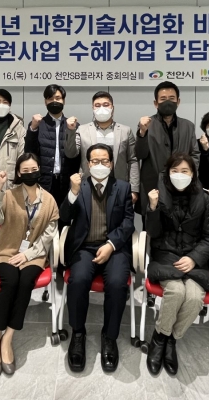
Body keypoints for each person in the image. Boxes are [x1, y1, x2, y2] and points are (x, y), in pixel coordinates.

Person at [0, 153, 59, 377]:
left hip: (34, 255)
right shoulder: (8, 195)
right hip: (7, 251)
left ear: (39, 169)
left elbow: (49, 234)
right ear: (18, 173)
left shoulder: (49, 200)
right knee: (10, 282)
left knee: (25, 283)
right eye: (25, 171)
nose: (30, 173)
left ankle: (8, 337)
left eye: (34, 169)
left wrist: (28, 255)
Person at [60, 144, 134, 373]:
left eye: (104, 161)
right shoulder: (78, 186)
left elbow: (128, 222)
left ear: (111, 164)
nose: (99, 165)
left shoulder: (123, 187)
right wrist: (72, 193)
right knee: (78, 280)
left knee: (117, 283)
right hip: (84, 247)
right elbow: (64, 218)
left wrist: (111, 245)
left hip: (114, 248)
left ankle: (109, 337)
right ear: (88, 163)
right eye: (95, 161)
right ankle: (78, 333)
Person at [144, 152, 209, 377]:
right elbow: (153, 233)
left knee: (195, 298)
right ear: (167, 173)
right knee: (176, 291)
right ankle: (159, 338)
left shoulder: (203, 198)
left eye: (184, 171)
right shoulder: (159, 194)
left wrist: (194, 257)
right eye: (174, 171)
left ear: (193, 174)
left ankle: (171, 339)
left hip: (194, 260)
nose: (179, 175)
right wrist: (153, 208)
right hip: (166, 256)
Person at [135, 81, 199, 215]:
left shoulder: (188, 126)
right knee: (153, 221)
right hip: (152, 186)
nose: (168, 102)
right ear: (156, 103)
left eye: (171, 98)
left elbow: (195, 154)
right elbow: (140, 154)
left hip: (182, 186)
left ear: (178, 101)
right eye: (163, 99)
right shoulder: (147, 125)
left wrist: (186, 175)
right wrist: (142, 133)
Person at [64, 91, 139, 204]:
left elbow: (132, 160)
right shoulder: (82, 130)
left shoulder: (125, 131)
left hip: (118, 184)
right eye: (97, 105)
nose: (101, 108)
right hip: (89, 185)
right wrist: (70, 130)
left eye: (106, 105)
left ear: (112, 108)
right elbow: (70, 153)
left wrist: (133, 189)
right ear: (93, 108)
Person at [24, 84, 80, 209]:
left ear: (64, 101)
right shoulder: (38, 124)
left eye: (58, 98)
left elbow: (76, 156)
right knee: (43, 215)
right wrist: (33, 128)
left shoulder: (73, 125)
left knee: (65, 215)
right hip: (44, 181)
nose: (54, 101)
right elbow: (29, 152)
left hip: (66, 181)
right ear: (45, 102)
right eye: (50, 99)